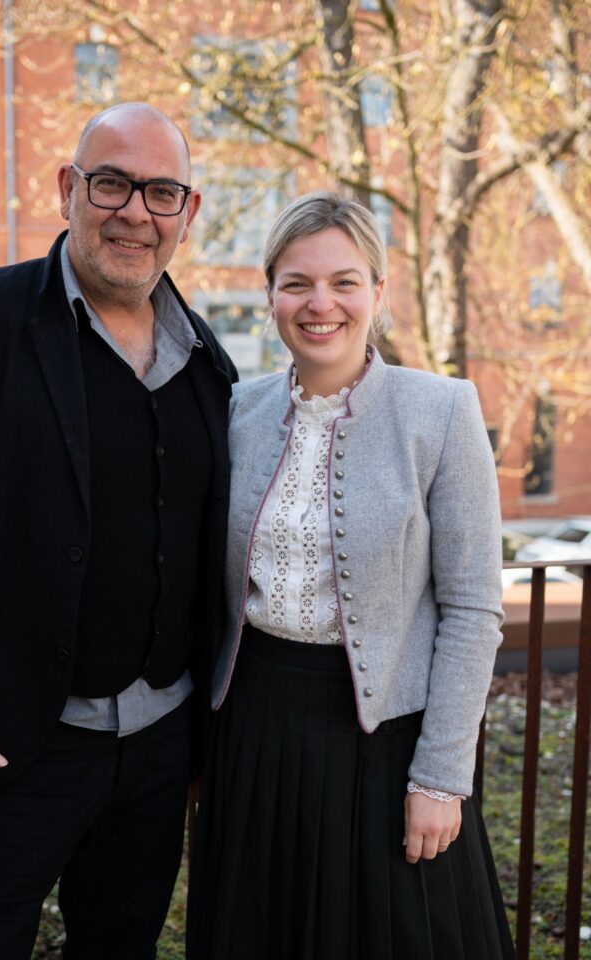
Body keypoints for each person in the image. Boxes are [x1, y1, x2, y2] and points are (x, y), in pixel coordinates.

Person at [0, 102, 237, 960]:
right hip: (7, 742)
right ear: (68, 188)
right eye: (111, 184)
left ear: (188, 213)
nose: (135, 211)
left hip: (157, 750)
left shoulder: (210, 364)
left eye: (161, 192)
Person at [187, 191, 515, 959]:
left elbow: (473, 607)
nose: (319, 303)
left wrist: (441, 778)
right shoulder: (236, 409)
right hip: (255, 734)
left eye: (343, 281)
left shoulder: (441, 411)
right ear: (271, 294)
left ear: (377, 292)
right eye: (296, 282)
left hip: (387, 745)